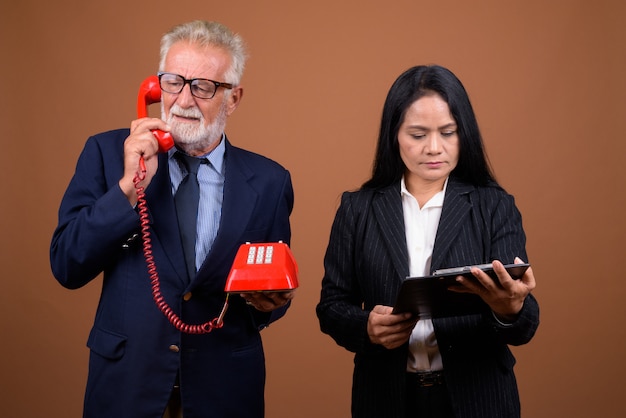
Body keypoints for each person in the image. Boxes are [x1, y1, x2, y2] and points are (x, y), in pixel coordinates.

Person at [50, 20, 295, 418]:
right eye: (173, 82)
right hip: (128, 387)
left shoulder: (269, 181)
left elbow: (267, 292)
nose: (183, 100)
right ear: (154, 86)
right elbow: (66, 264)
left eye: (203, 86)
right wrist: (130, 185)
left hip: (225, 391)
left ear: (233, 98)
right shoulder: (107, 153)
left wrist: (271, 302)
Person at [316, 65, 539, 418]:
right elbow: (330, 307)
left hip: (479, 399)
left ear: (463, 134)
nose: (434, 148)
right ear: (394, 135)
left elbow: (526, 323)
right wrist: (367, 327)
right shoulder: (357, 210)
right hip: (386, 399)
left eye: (448, 133)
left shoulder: (494, 206)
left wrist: (508, 307)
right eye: (418, 134)